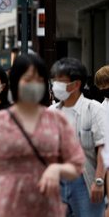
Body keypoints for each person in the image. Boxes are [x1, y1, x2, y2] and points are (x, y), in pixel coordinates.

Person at [0, 54, 86, 217]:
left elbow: (77, 164)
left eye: (39, 79)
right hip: (6, 207)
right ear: (15, 82)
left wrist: (56, 169)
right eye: (28, 79)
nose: (34, 84)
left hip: (47, 208)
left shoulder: (57, 121)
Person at [49, 58, 106, 216]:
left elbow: (104, 147)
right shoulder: (51, 112)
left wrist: (99, 181)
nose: (56, 85)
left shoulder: (93, 109)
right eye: (54, 80)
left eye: (61, 81)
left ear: (76, 84)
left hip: (85, 180)